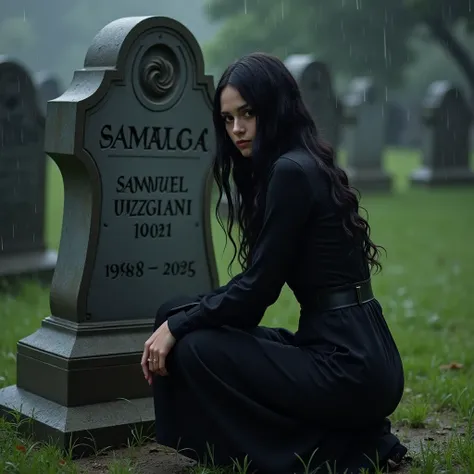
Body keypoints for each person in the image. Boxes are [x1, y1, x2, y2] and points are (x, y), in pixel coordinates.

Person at [141, 52, 407, 474]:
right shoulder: (302, 161)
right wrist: (179, 318)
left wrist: (179, 326)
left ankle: (342, 451)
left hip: (350, 365)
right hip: (356, 352)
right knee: (172, 314)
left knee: (192, 346)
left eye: (247, 113)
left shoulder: (290, 171)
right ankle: (358, 438)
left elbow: (256, 294)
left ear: (275, 107)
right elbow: (254, 286)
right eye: (227, 119)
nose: (237, 130)